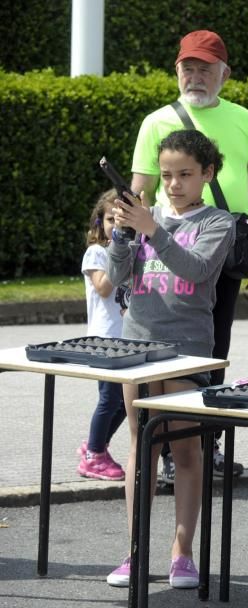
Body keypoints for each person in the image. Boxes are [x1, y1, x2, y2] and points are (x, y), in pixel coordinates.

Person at [130, 29, 248, 483]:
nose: (195, 76)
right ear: (177, 71)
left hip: (225, 248)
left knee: (214, 349)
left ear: (224, 75)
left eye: (205, 69)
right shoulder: (156, 121)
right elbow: (140, 189)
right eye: (187, 67)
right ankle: (171, 452)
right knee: (163, 349)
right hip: (169, 253)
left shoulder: (242, 118)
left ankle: (200, 445)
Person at [104, 129, 235, 588]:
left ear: (207, 173)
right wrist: (120, 236)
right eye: (166, 175)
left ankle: (183, 553)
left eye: (185, 174)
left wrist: (151, 230)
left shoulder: (219, 222)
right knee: (142, 447)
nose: (174, 184)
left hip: (187, 352)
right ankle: (135, 552)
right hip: (136, 347)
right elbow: (115, 276)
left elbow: (196, 271)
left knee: (185, 449)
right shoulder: (148, 216)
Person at [77, 189, 126, 481]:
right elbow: (105, 287)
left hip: (126, 339)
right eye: (111, 219)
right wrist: (120, 248)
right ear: (99, 223)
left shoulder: (128, 251)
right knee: (109, 399)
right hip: (104, 340)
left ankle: (94, 446)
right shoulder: (96, 252)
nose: (116, 226)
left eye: (122, 220)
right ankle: (94, 455)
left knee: (124, 402)